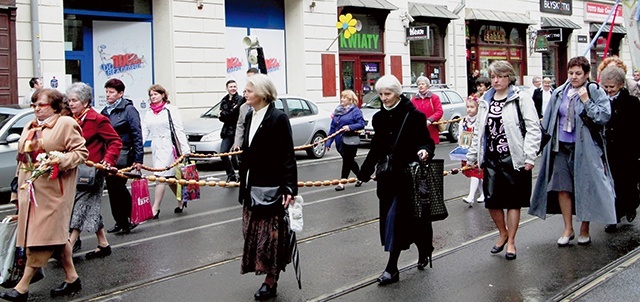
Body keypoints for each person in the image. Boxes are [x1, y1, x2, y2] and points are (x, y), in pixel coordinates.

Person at [0, 88, 89, 301]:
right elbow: (23, 160)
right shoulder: (31, 126)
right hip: (30, 193)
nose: (37, 109)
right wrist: (16, 191)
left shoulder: (65, 124)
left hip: (54, 194)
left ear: (56, 106)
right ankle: (72, 278)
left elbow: (81, 152)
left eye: (41, 105)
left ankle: (22, 286)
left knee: (40, 239)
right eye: (34, 105)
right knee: (55, 237)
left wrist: (59, 160)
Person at [529, 56, 615, 246]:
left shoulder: (594, 91)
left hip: (585, 148)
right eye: (571, 73)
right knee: (563, 188)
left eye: (578, 73)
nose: (574, 77)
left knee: (584, 188)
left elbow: (603, 116)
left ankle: (585, 228)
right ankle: (568, 228)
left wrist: (586, 101)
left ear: (586, 74)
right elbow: (548, 120)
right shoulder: (560, 92)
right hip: (560, 147)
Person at [357, 74, 434, 285]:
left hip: (408, 178)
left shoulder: (414, 116)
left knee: (399, 222)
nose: (384, 98)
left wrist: (424, 151)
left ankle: (393, 267)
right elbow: (376, 148)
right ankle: (423, 249)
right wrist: (364, 173)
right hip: (387, 178)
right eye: (380, 94)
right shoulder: (378, 118)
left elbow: (426, 142)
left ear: (398, 93)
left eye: (388, 93)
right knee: (399, 222)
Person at [466, 60, 541, 261]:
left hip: (513, 157)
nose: (496, 80)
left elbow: (533, 129)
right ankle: (502, 232)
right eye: (493, 77)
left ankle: (511, 242)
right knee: (492, 200)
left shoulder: (521, 98)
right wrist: (472, 157)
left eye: (500, 76)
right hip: (491, 157)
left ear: (509, 77)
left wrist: (530, 156)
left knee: (513, 202)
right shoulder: (485, 101)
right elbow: (479, 132)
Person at [237, 74, 297, 300]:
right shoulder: (250, 114)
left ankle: (270, 280)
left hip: (272, 188)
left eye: (249, 91)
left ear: (262, 94)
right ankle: (263, 271)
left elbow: (287, 155)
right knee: (251, 233)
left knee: (269, 238)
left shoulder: (277, 117)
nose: (245, 94)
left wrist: (289, 188)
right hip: (251, 186)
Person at [66, 83, 122, 259]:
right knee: (89, 207)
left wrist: (107, 160)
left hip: (92, 172)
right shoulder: (68, 119)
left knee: (80, 206)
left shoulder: (97, 119)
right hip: (72, 170)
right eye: (69, 100)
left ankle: (68, 245)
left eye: (75, 100)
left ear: (86, 102)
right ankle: (103, 243)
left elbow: (115, 141)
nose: (71, 104)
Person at [599, 65, 640, 232]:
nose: (608, 91)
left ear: (621, 85)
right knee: (611, 184)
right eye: (606, 87)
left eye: (612, 87)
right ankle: (613, 216)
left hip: (627, 150)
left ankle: (631, 204)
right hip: (609, 149)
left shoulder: (631, 102)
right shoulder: (602, 100)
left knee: (627, 182)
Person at [101, 78, 144, 234]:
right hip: (109, 155)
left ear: (120, 93)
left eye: (111, 92)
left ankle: (131, 217)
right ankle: (119, 221)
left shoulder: (128, 110)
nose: (108, 95)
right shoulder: (105, 111)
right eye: (106, 92)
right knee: (112, 188)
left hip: (124, 153)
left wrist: (138, 158)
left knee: (119, 187)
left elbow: (137, 134)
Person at [142, 84, 190, 218]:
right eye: (151, 95)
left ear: (163, 95)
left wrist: (185, 149)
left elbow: (178, 130)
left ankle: (155, 208)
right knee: (170, 178)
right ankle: (181, 200)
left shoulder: (171, 110)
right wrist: (138, 147)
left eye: (156, 94)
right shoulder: (149, 113)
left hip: (170, 148)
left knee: (161, 177)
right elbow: (144, 131)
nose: (153, 97)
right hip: (156, 147)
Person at [326, 89, 366, 191]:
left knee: (347, 160)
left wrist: (350, 127)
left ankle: (342, 182)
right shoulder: (338, 111)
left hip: (350, 140)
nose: (342, 99)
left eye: (344, 97)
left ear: (350, 99)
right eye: (341, 97)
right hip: (340, 142)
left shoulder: (355, 111)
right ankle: (361, 176)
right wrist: (328, 142)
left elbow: (361, 124)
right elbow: (333, 127)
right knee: (350, 161)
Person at [458, 96, 484, 207]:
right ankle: (483, 193)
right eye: (467, 107)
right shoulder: (463, 121)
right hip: (467, 150)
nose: (469, 109)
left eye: (472, 107)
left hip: (478, 151)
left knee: (476, 173)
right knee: (478, 175)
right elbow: (460, 135)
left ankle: (471, 197)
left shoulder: (480, 120)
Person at [219, 79, 244, 182]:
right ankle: (231, 175)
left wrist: (226, 114)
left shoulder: (240, 99)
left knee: (239, 155)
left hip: (238, 131)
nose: (233, 88)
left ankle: (242, 176)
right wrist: (227, 114)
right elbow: (221, 117)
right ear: (227, 88)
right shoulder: (224, 100)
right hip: (227, 132)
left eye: (234, 86)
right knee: (223, 153)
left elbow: (234, 115)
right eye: (231, 87)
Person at [411, 76, 443, 144]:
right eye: (419, 84)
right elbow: (410, 113)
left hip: (431, 131)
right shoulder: (413, 100)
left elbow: (439, 111)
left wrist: (430, 120)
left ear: (427, 85)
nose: (421, 86)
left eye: (423, 84)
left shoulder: (434, 98)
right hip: (418, 132)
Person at [233, 67, 259, 151]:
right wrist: (237, 143)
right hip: (247, 145)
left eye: (249, 92)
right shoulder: (243, 107)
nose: (246, 95)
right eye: (245, 92)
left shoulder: (266, 108)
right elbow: (240, 126)